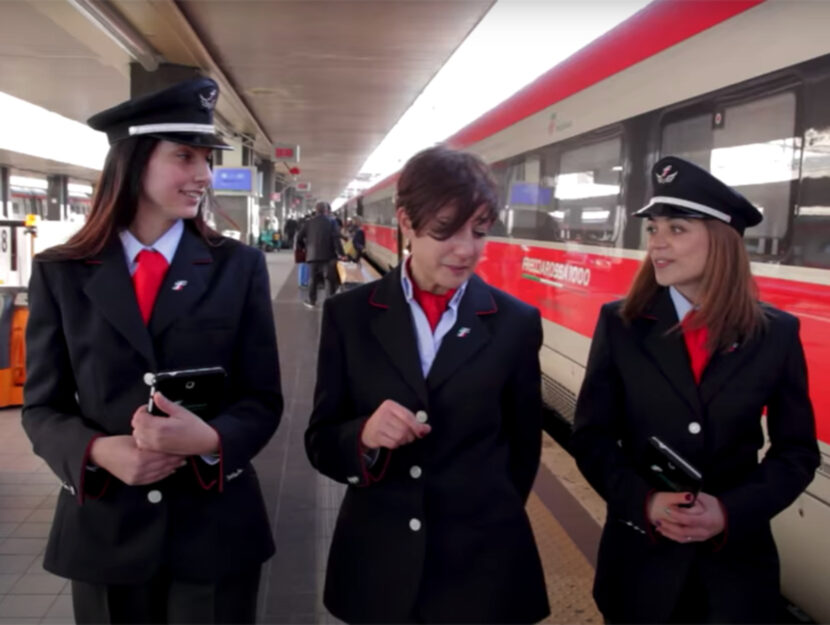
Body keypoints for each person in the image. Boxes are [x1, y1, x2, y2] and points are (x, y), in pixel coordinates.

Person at [22, 77, 282, 624]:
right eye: (184, 157)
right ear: (134, 161)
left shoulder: (239, 268)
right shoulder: (60, 272)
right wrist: (96, 452)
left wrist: (212, 439)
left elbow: (262, 397)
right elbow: (42, 407)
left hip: (215, 528)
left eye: (206, 159)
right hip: (105, 531)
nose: (204, 175)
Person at [305, 146, 550, 624]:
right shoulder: (350, 317)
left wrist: (482, 521)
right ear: (405, 221)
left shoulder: (515, 323)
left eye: (479, 231)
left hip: (482, 571)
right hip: (379, 565)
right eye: (445, 231)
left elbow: (523, 450)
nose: (467, 249)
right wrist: (364, 438)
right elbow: (320, 441)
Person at [571, 156, 820, 624]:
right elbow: (592, 438)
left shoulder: (777, 334)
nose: (657, 245)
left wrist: (728, 512)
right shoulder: (621, 324)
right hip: (640, 567)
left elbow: (797, 452)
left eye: (677, 229)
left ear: (723, 241)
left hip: (735, 577)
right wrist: (645, 501)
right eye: (653, 230)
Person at [295, 201, 342, 308]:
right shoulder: (332, 222)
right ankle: (329, 302)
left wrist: (303, 247)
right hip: (328, 256)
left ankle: (312, 301)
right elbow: (336, 239)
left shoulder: (309, 223)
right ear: (326, 210)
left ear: (316, 210)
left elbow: (299, 237)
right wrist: (341, 253)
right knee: (329, 279)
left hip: (312, 256)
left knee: (313, 279)